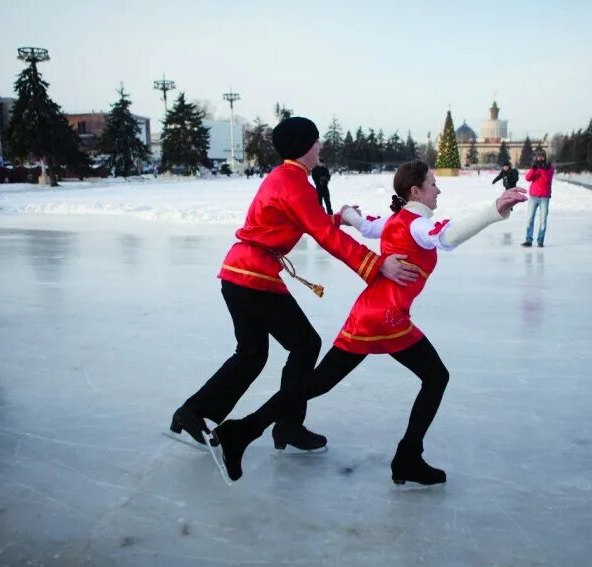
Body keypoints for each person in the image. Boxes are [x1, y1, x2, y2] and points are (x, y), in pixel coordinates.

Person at [212, 160, 528, 485]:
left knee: (319, 382)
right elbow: (450, 235)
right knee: (436, 377)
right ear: (416, 190)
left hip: (367, 313)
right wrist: (496, 208)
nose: (438, 190)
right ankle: (408, 458)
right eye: (433, 184)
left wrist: (348, 215)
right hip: (387, 318)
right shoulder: (418, 226)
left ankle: (241, 431)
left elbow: (367, 226)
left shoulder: (396, 220)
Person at [169, 117, 419, 452]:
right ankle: (286, 426)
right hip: (253, 278)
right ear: (306, 147)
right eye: (317, 141)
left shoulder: (283, 178)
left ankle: (194, 412)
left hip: (238, 273)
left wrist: (337, 218)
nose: (321, 147)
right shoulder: (295, 183)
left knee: (252, 354)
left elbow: (303, 221)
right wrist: (375, 264)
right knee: (304, 344)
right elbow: (323, 235)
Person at [521, 149, 554, 248]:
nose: (540, 158)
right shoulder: (535, 166)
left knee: (543, 220)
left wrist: (542, 169)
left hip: (544, 197)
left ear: (545, 157)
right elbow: (527, 178)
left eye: (542, 156)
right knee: (530, 219)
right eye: (538, 157)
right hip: (533, 196)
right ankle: (528, 240)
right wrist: (534, 169)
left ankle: (540, 241)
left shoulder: (549, 167)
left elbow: (547, 180)